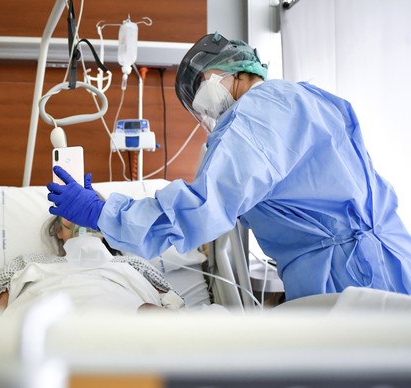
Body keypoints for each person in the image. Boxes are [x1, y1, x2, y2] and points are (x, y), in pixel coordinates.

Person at [47, 32, 411, 302]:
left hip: (352, 273)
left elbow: (203, 207)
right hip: (379, 261)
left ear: (237, 70)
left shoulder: (261, 110)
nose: (204, 110)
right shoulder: (302, 99)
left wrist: (104, 212)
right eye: (195, 108)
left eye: (200, 89)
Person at [0, 216, 184, 314]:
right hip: (45, 318)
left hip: (122, 324)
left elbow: (170, 300)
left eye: (90, 212)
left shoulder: (132, 263)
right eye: (72, 213)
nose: (81, 218)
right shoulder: (28, 262)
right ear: (59, 231)